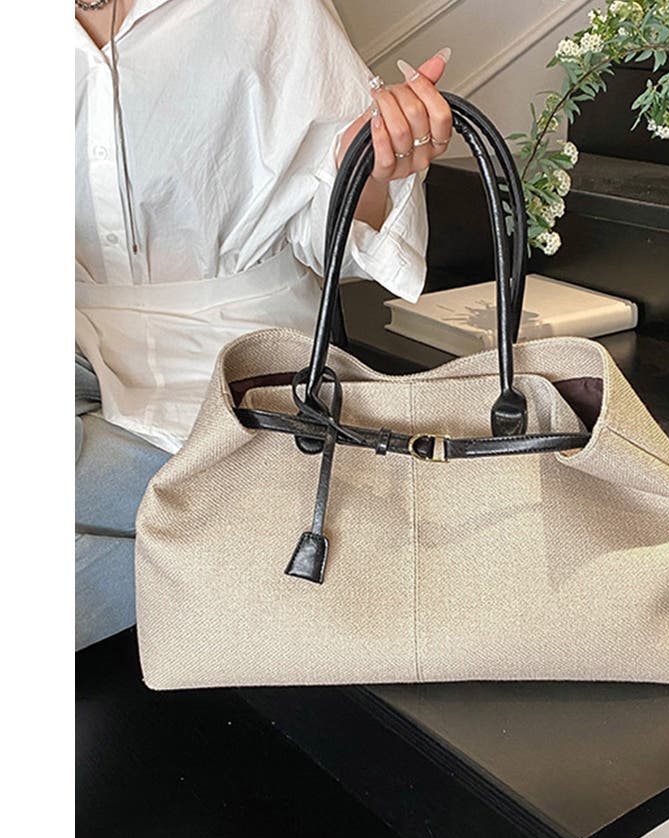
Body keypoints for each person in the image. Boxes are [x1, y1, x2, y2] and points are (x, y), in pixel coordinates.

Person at [75, 0, 453, 650]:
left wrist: (370, 168)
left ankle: (254, 544)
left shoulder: (268, 9)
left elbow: (331, 233)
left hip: (236, 360)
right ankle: (255, 559)